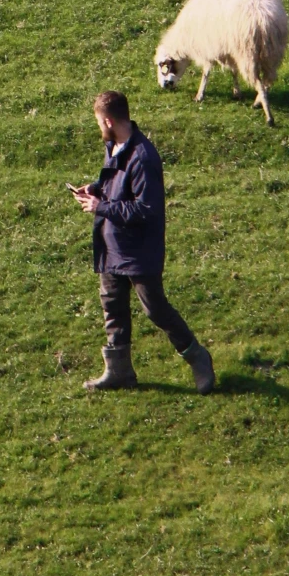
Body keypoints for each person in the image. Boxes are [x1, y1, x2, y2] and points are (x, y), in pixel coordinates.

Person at [70, 91, 215, 394]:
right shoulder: (115, 146)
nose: (99, 128)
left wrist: (101, 207)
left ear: (109, 120)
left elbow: (144, 210)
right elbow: (117, 187)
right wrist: (95, 188)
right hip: (113, 246)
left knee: (156, 310)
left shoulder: (143, 157)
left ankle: (198, 358)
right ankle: (119, 371)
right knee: (113, 307)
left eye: (99, 122)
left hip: (138, 251)